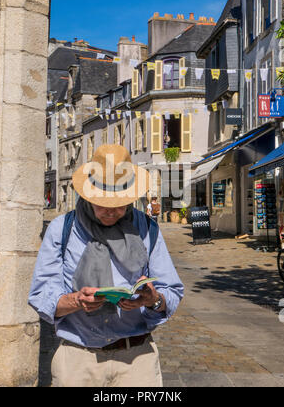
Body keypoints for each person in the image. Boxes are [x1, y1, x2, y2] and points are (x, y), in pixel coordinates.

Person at [28, 144, 184, 387]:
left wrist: (152, 299)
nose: (111, 211)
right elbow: (41, 296)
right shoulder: (62, 229)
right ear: (88, 195)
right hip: (77, 360)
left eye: (120, 204)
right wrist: (76, 301)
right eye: (102, 203)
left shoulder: (148, 229)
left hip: (136, 359)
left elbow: (171, 292)